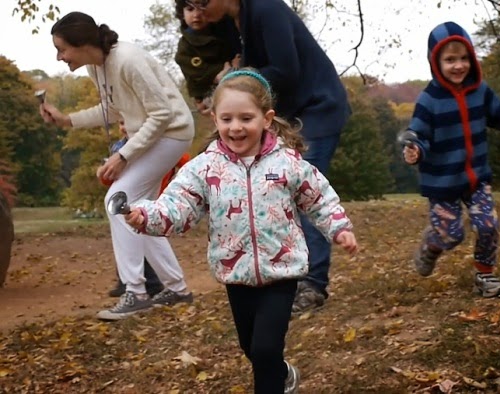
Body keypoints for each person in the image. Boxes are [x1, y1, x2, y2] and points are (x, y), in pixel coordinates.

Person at [122, 69, 358, 394]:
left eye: (246, 118)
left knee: (264, 349)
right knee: (252, 349)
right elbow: (177, 205)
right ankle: (281, 373)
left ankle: (272, 378)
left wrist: (339, 228)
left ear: (267, 118)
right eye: (227, 118)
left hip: (281, 271)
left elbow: (318, 197)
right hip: (235, 272)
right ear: (215, 120)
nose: (236, 127)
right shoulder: (205, 168)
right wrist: (145, 215)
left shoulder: (287, 163)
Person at [196, 0, 352, 314]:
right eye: (190, 4)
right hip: (291, 113)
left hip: (316, 108)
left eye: (201, 1)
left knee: (303, 193)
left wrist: (235, 78)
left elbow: (285, 71)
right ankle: (289, 278)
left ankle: (313, 285)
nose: (197, 10)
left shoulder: (266, 8)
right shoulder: (235, 22)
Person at [38, 11, 196, 321]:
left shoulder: (128, 60)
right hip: (154, 136)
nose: (59, 57)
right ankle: (176, 289)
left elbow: (162, 114)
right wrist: (68, 120)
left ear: (82, 43)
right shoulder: (98, 68)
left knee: (117, 200)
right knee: (138, 211)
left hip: (172, 134)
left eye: (62, 49)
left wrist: (124, 155)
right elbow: (111, 110)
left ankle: (135, 292)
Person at [402, 21, 500, 298]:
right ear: (435, 63)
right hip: (443, 181)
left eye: (464, 58)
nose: (458, 66)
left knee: (488, 225)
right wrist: (415, 150)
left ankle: (485, 276)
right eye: (450, 60)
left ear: (472, 58)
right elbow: (418, 134)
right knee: (450, 234)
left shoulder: (480, 92)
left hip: (476, 177)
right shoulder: (429, 100)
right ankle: (432, 245)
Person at [104, 120, 165, 298]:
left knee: (141, 237)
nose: (123, 127)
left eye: (126, 122)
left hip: (140, 199)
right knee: (125, 240)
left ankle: (149, 283)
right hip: (123, 197)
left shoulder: (148, 145)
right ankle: (126, 281)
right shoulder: (118, 147)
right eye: (120, 123)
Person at [174, 0, 241, 114]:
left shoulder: (224, 29)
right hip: (210, 91)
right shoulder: (185, 46)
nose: (196, 15)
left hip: (238, 79)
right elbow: (196, 73)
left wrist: (237, 63)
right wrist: (220, 72)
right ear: (182, 14)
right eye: (190, 9)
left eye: (201, 8)